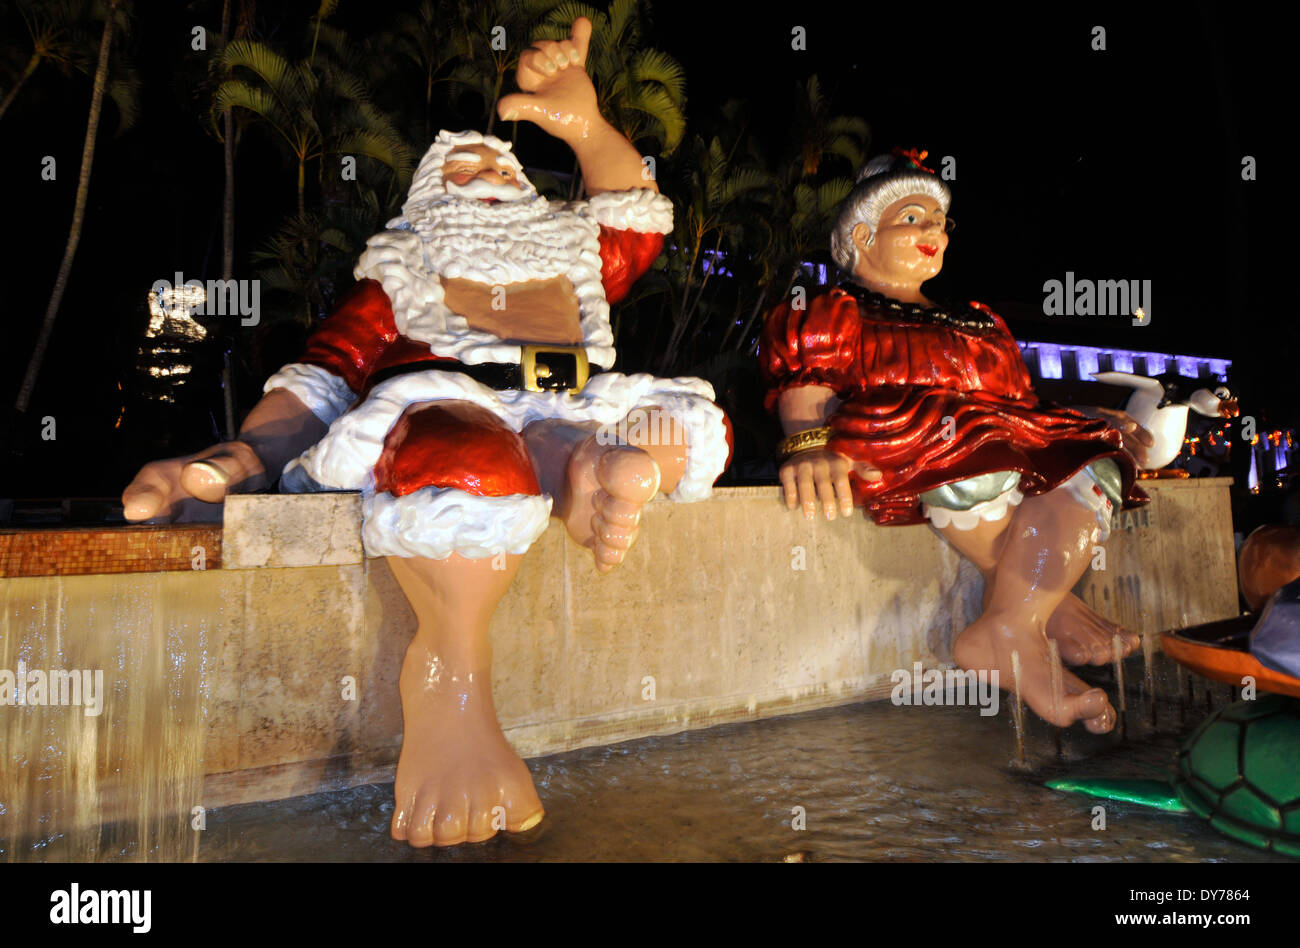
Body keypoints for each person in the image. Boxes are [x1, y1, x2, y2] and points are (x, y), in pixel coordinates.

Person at [122, 18, 731, 847]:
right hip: (454, 405)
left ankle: (591, 467)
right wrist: (251, 454)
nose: (486, 175)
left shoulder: (570, 255)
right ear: (424, 198)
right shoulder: (403, 274)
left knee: (682, 421)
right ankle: (454, 700)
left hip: (575, 401)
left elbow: (635, 219)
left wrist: (585, 127)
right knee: (470, 464)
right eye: (463, 166)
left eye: (501, 165)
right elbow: (325, 374)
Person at [760, 149, 1153, 733]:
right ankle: (1036, 609)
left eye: (941, 225)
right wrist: (808, 440)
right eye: (914, 219)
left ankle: (1021, 612)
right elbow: (807, 382)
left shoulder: (979, 322)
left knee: (1093, 457)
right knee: (980, 447)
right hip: (906, 440)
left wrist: (1085, 415)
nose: (934, 235)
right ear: (863, 235)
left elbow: (1022, 408)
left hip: (992, 434)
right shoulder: (836, 311)